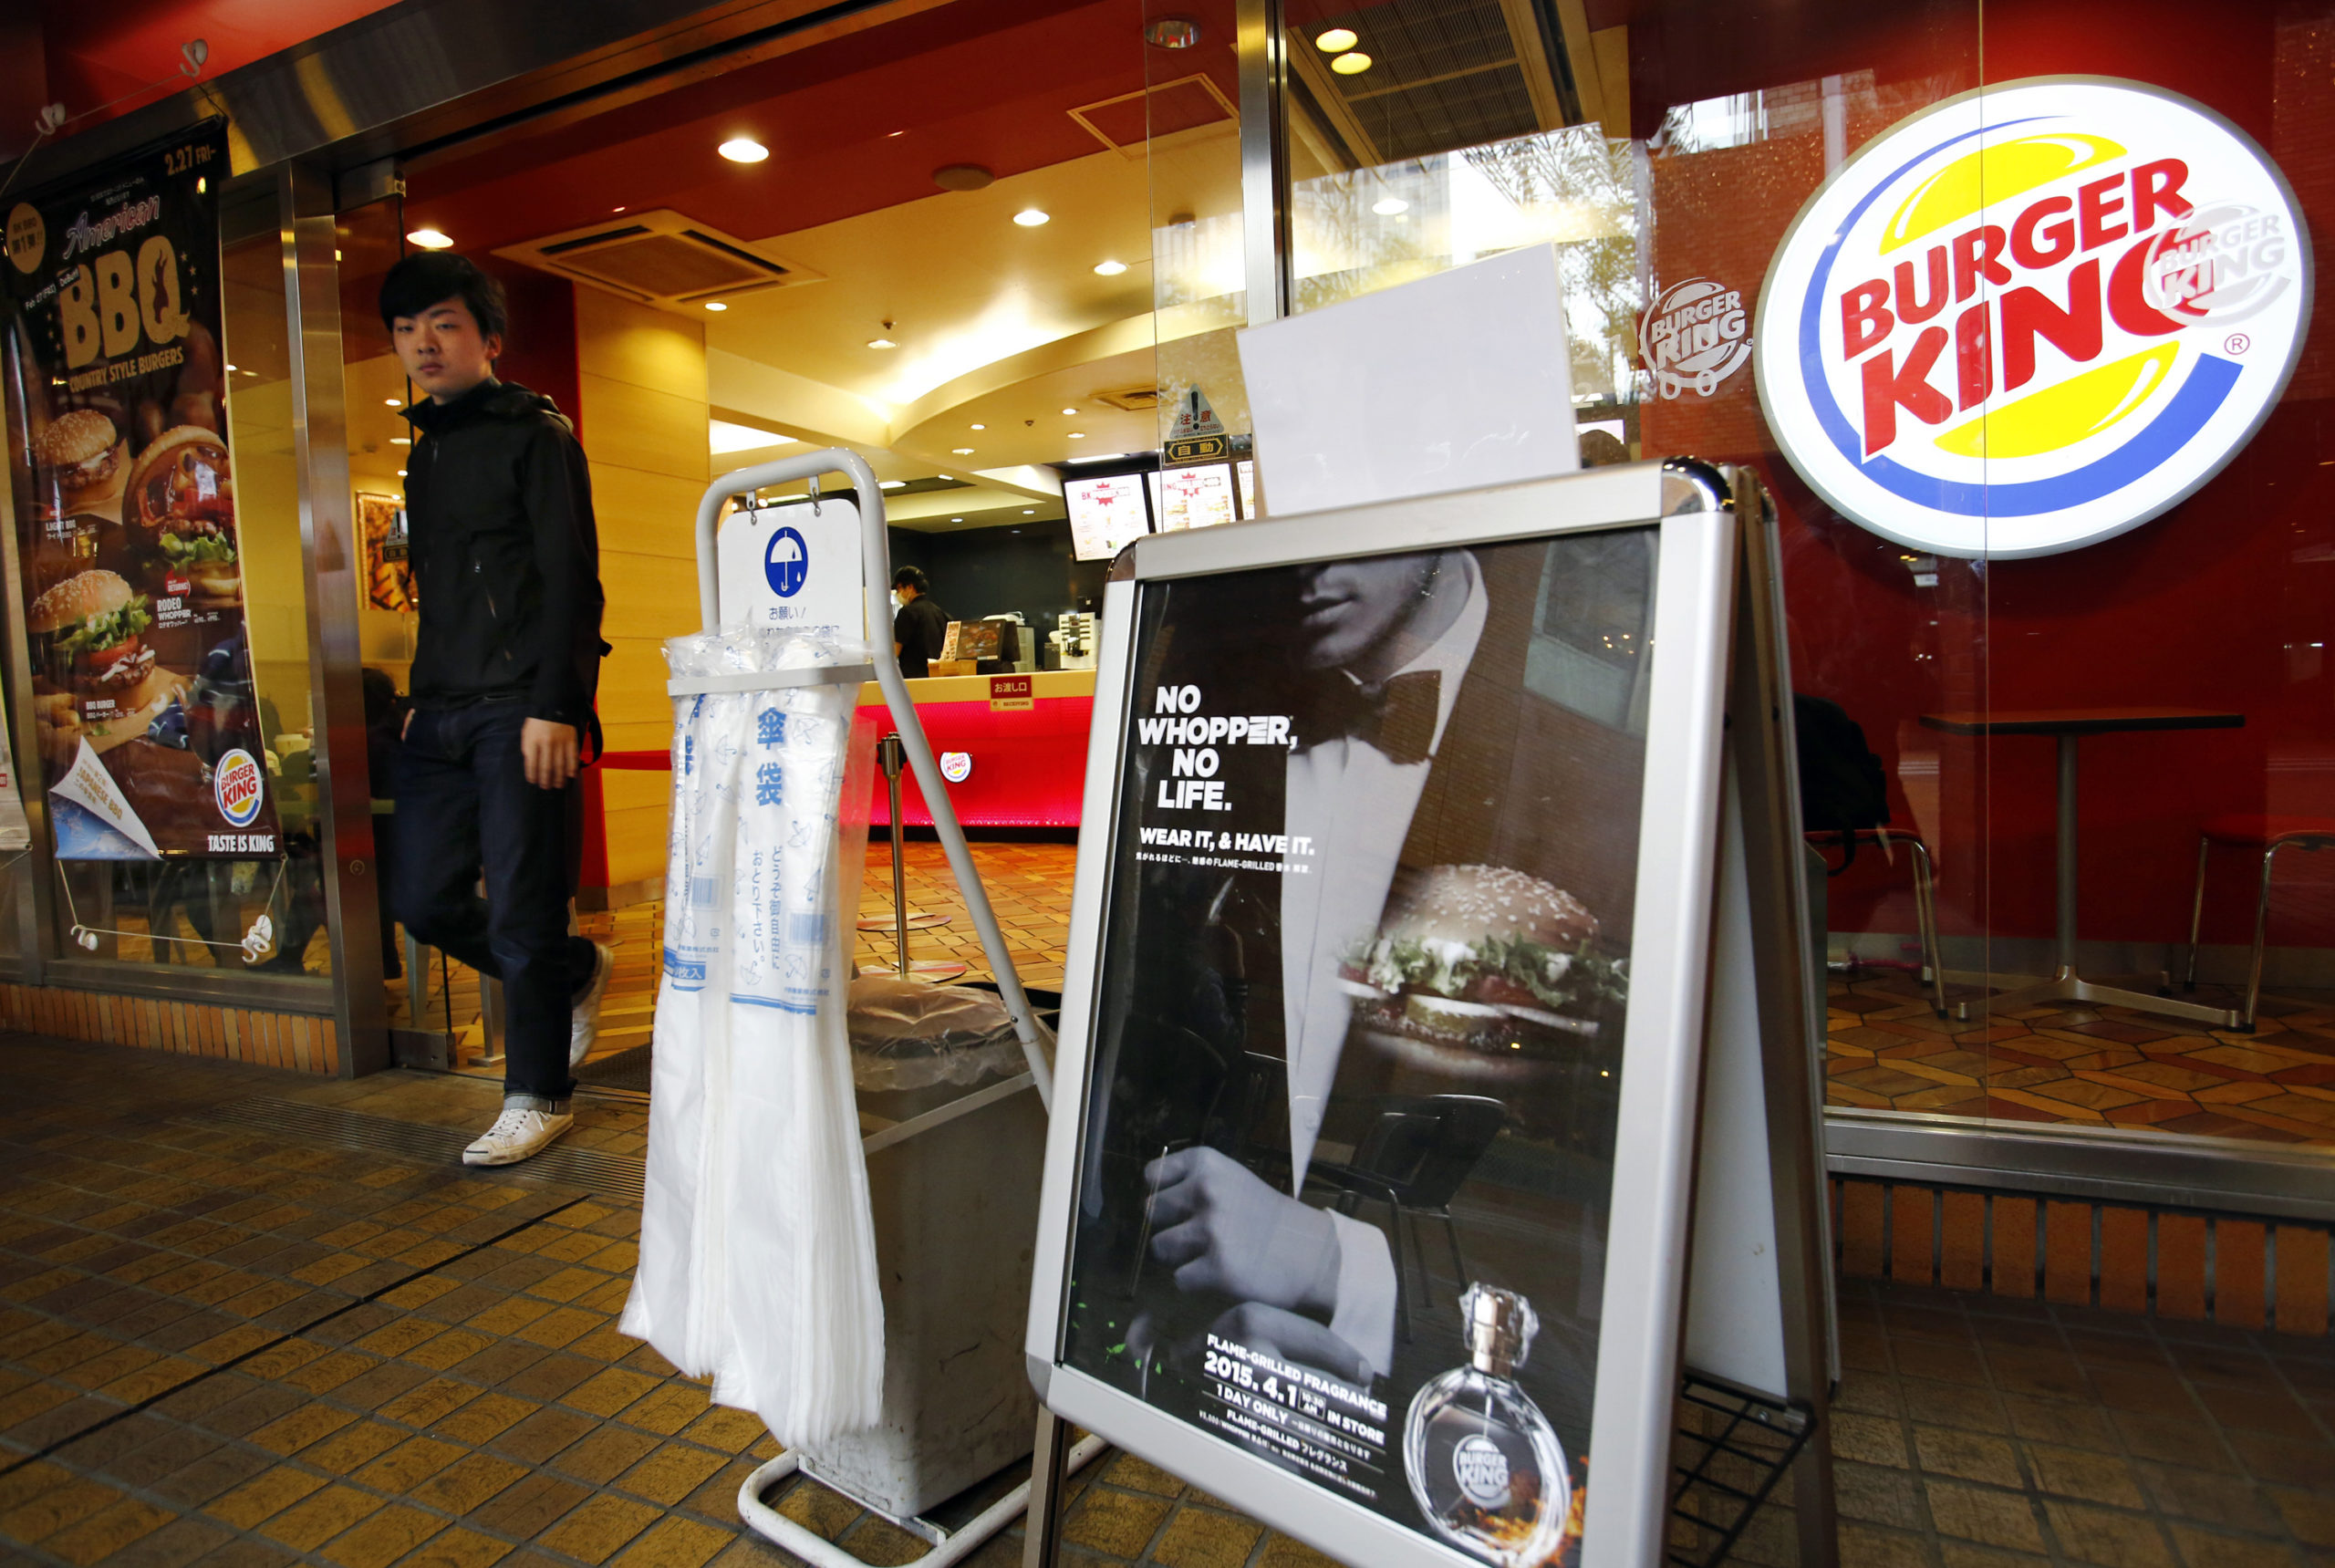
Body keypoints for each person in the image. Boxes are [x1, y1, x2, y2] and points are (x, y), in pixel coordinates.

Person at [380, 251, 612, 1168]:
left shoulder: (537, 435)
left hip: (522, 707)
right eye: (404, 329)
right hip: (436, 711)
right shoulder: (424, 450)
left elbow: (571, 577)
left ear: (488, 337)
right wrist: (414, 701)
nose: (421, 344)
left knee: (522, 907)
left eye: (441, 323)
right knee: (423, 900)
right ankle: (571, 976)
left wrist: (559, 704)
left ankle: (539, 1092)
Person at [891, 565, 949, 679]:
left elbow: (895, 651)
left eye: (899, 588)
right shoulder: (939, 612)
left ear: (910, 587)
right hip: (937, 677)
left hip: (914, 680)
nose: (897, 593)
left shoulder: (907, 613)